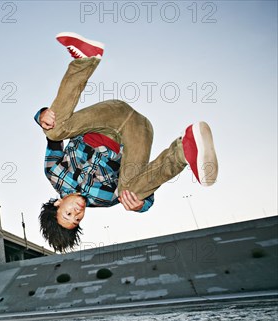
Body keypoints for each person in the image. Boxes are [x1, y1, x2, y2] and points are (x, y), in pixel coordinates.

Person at [36, 32, 218, 252]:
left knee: (54, 133)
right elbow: (145, 192)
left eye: (68, 213)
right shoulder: (105, 200)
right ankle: (185, 148)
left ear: (57, 204)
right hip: (136, 135)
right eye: (77, 219)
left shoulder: (53, 171)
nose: (77, 211)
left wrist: (42, 115)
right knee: (128, 194)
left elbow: (51, 131)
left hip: (107, 117)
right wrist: (142, 205)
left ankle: (85, 60)